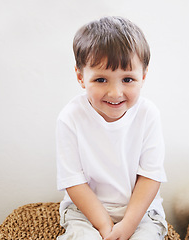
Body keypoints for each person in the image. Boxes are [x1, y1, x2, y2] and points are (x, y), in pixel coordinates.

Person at [56, 16, 167, 240]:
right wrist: (105, 226)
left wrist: (126, 227)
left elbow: (149, 177)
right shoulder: (70, 118)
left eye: (127, 79)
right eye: (101, 80)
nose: (115, 93)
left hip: (140, 212)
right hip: (85, 212)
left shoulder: (148, 115)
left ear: (143, 77)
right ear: (81, 77)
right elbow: (74, 182)